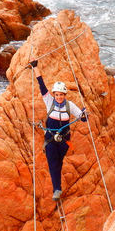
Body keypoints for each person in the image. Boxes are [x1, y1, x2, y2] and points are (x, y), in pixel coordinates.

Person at [30, 60, 87, 202]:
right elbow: (41, 86)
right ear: (54, 95)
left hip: (63, 141)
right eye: (57, 94)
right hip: (50, 139)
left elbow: (82, 118)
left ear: (64, 95)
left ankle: (57, 184)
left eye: (61, 95)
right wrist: (35, 67)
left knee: (58, 163)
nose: (59, 97)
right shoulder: (49, 102)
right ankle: (57, 189)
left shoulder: (70, 106)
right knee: (53, 163)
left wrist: (84, 115)